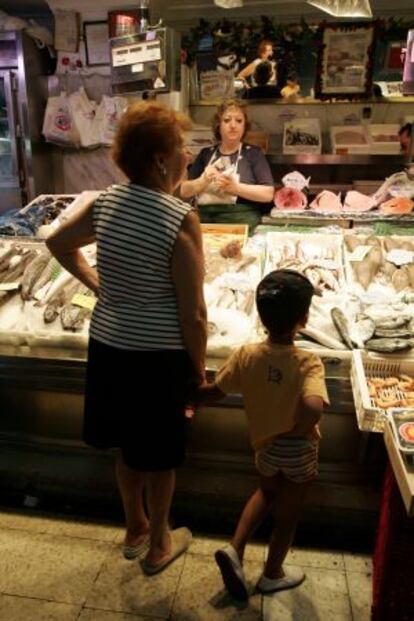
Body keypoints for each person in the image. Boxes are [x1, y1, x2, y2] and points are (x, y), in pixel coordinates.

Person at [46, 101, 207, 576]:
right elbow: (194, 313)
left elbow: (57, 244)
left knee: (126, 445)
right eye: (182, 149)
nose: (188, 158)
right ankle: (159, 543)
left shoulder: (106, 202)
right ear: (160, 159)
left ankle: (134, 525)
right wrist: (196, 369)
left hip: (110, 348)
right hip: (158, 360)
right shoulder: (179, 218)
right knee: (158, 457)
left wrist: (100, 286)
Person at [196, 269, 329, 599]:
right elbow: (314, 406)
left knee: (266, 492)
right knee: (287, 515)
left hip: (265, 446)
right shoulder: (307, 361)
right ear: (304, 317)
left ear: (261, 315)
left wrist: (191, 393)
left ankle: (235, 548)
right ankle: (272, 573)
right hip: (298, 449)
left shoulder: (246, 355)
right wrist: (301, 427)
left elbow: (215, 392)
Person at [180, 100, 274, 233]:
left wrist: (236, 188)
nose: (233, 125)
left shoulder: (254, 153)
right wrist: (203, 181)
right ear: (218, 125)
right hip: (205, 228)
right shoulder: (206, 154)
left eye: (239, 121)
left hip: (242, 227)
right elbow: (184, 191)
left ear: (244, 126)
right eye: (227, 120)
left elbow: (268, 194)